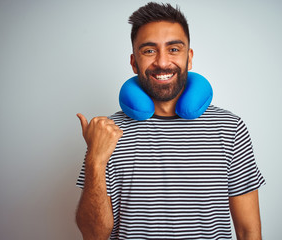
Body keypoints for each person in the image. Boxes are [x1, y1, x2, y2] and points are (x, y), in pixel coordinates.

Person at [75, 2, 265, 240]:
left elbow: (248, 232)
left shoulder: (229, 128)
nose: (163, 62)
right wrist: (95, 159)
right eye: (149, 51)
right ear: (134, 62)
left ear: (190, 58)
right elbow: (93, 235)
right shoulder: (108, 133)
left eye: (174, 49)